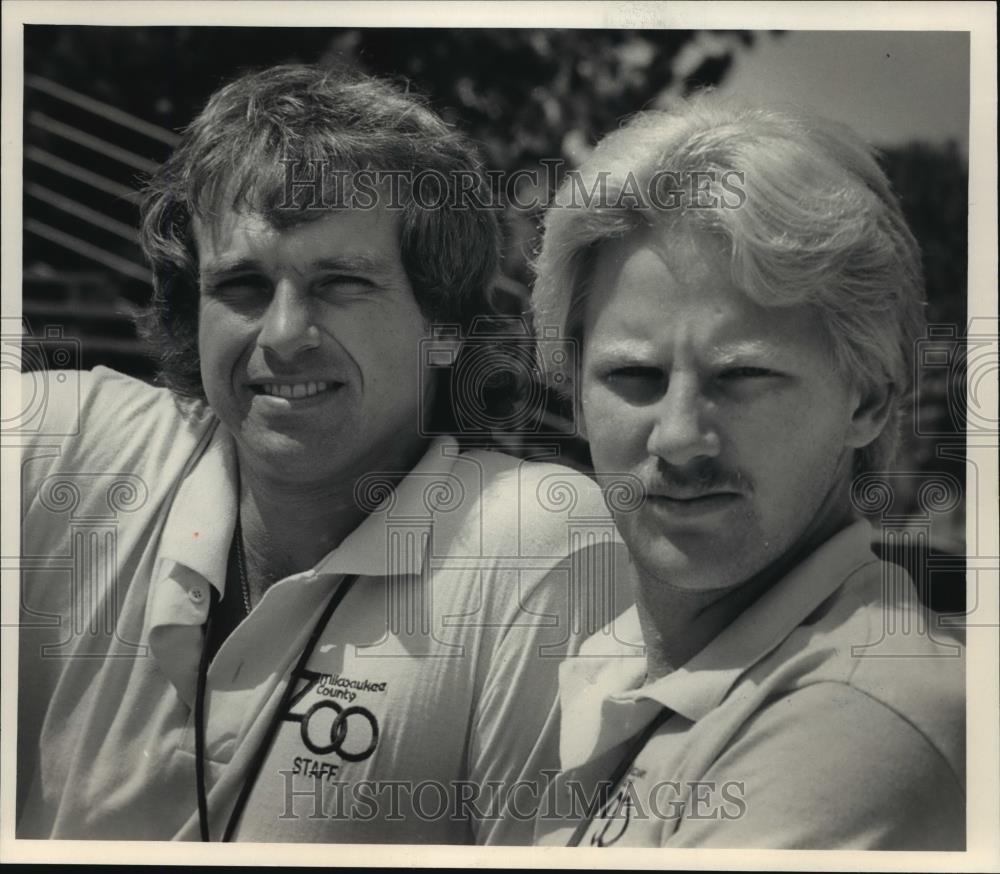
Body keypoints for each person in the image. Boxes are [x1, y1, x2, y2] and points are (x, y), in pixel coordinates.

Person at [15, 64, 628, 843]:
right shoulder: (63, 449)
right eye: (240, 285)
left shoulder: (539, 549)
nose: (281, 336)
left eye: (340, 283)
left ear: (442, 323)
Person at [530, 96, 965, 849]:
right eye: (633, 375)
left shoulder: (854, 717)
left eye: (743, 377)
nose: (679, 437)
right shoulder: (625, 663)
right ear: (574, 390)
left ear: (867, 398)